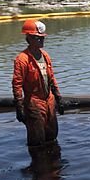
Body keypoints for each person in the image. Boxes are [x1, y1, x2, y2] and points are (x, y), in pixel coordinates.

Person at [12, 18, 63, 149]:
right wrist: (19, 106)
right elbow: (17, 84)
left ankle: (54, 166)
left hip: (49, 100)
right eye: (37, 38)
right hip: (34, 102)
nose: (41, 40)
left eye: (42, 38)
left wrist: (58, 98)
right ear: (29, 38)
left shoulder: (45, 55)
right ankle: (39, 167)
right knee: (37, 140)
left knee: (52, 136)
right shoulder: (22, 59)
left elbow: (51, 78)